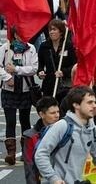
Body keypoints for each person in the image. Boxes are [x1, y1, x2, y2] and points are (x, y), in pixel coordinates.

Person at [34, 86, 96, 184]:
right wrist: (54, 178)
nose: (95, 106)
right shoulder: (62, 126)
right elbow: (41, 154)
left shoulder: (93, 130)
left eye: (94, 102)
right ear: (76, 105)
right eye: (90, 102)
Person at [1, 26, 38, 165]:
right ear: (15, 35)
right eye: (19, 33)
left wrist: (16, 69)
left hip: (25, 89)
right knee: (10, 121)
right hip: (8, 90)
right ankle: (11, 153)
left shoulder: (31, 48)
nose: (23, 36)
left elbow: (33, 68)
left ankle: (25, 152)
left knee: (25, 121)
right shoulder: (6, 47)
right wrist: (6, 77)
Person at [23, 97, 60, 184]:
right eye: (52, 113)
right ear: (41, 114)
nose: (57, 115)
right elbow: (29, 166)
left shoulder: (65, 130)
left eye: (58, 112)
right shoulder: (31, 137)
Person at [37, 19, 76, 100]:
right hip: (49, 86)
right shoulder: (44, 46)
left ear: (61, 32)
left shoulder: (68, 46)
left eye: (54, 29)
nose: (51, 32)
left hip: (65, 86)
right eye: (50, 30)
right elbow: (40, 65)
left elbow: (75, 65)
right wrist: (40, 72)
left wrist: (63, 72)